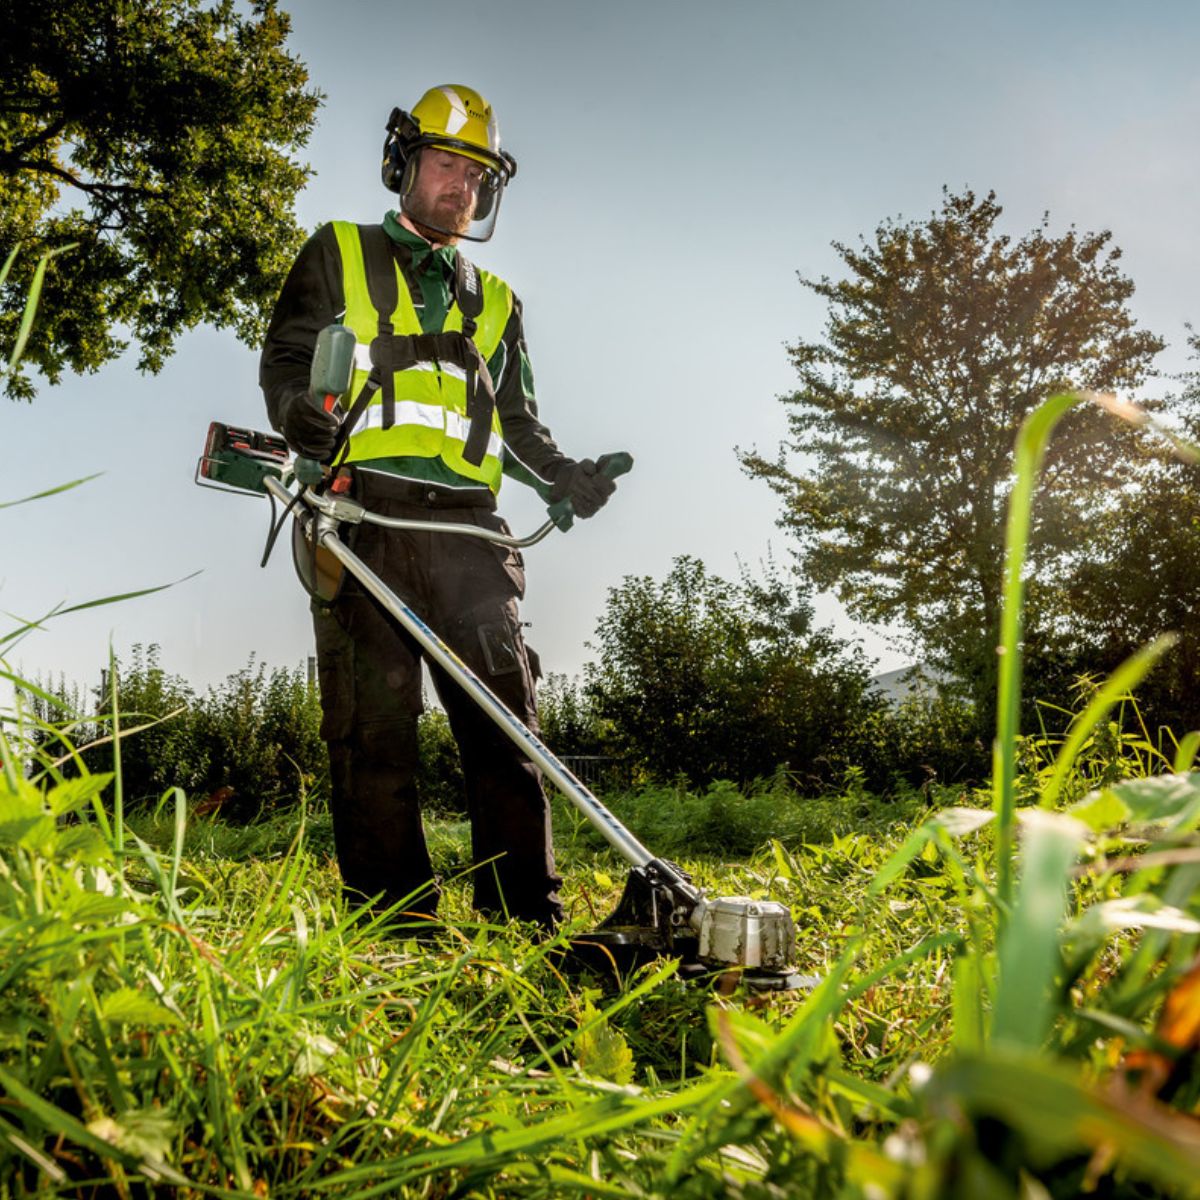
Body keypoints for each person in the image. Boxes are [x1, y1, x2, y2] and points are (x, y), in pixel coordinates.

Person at [259, 84, 617, 931]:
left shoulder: (496, 301)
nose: (462, 185)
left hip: (467, 529)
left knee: (507, 731)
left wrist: (565, 477)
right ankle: (395, 930)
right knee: (373, 738)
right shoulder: (336, 251)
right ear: (405, 164)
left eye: (477, 174)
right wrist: (294, 412)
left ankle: (521, 922)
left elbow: (518, 422)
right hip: (362, 519)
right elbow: (285, 358)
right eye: (447, 164)